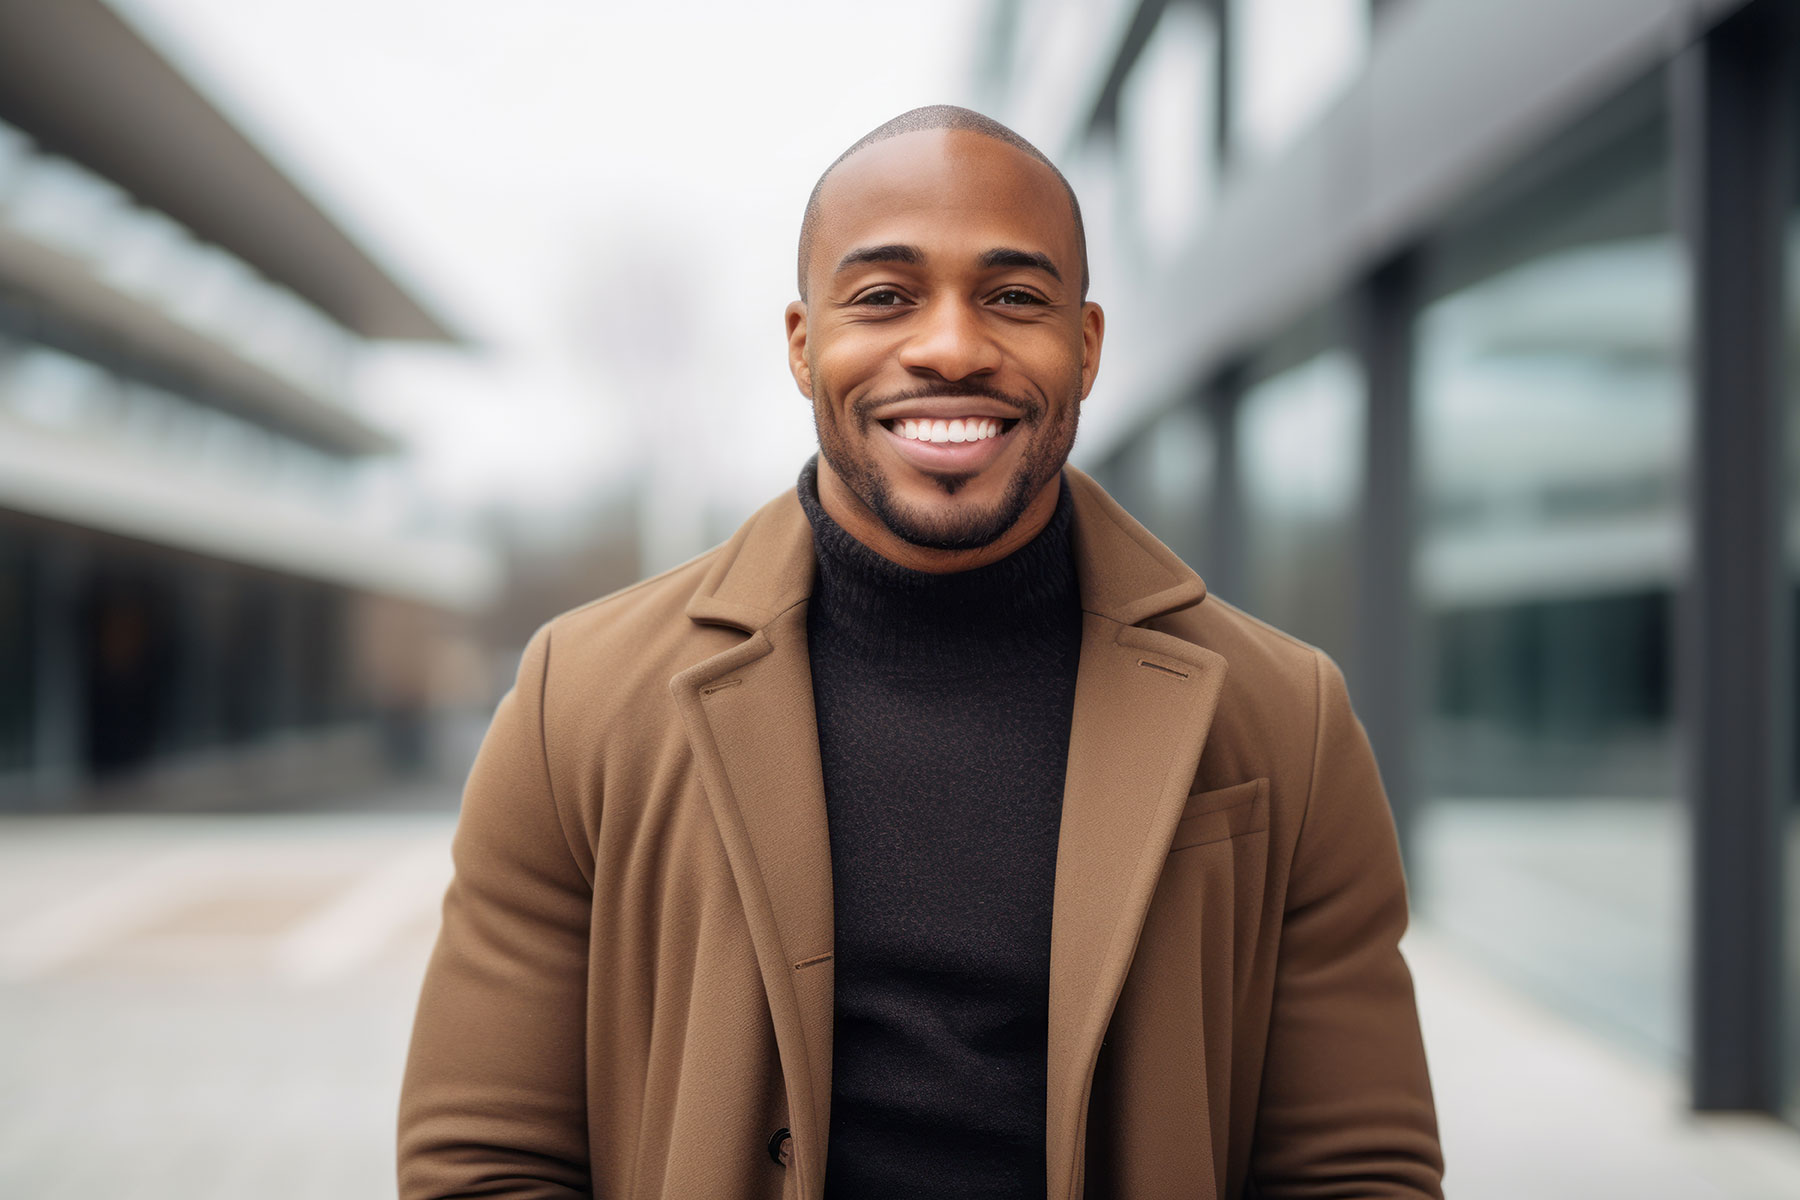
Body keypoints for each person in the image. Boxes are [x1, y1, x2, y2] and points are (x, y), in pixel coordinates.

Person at [398, 105, 1443, 1200]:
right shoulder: (582, 697)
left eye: (1013, 297)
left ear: (1085, 348)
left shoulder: (1288, 718)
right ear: (804, 346)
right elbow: (484, 1163)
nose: (949, 345)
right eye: (885, 297)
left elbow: (1357, 1171)